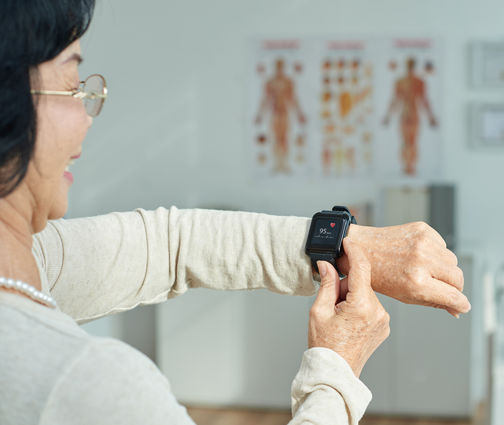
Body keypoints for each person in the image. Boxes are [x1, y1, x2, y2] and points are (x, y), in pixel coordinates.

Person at [0, 2, 469, 425]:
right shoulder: (87, 383)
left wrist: (347, 245)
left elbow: (170, 243)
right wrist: (336, 371)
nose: (87, 115)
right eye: (69, 86)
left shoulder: (31, 265)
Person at [383, 57, 438, 176]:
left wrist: (431, 117)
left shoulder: (413, 82)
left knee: (409, 141)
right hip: (409, 114)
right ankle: (407, 166)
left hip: (409, 114)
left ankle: (410, 166)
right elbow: (396, 100)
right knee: (409, 142)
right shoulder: (407, 82)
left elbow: (423, 101)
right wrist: (388, 116)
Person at [254, 58, 307, 174]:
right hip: (274, 113)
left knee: (285, 138)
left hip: (285, 112)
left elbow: (293, 99)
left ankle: (285, 164)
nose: (279, 69)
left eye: (281, 66)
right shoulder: (270, 82)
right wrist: (260, 115)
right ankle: (276, 164)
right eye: (277, 66)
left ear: (283, 67)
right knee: (275, 138)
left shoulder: (289, 81)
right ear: (275, 67)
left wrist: (300, 114)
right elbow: (265, 100)